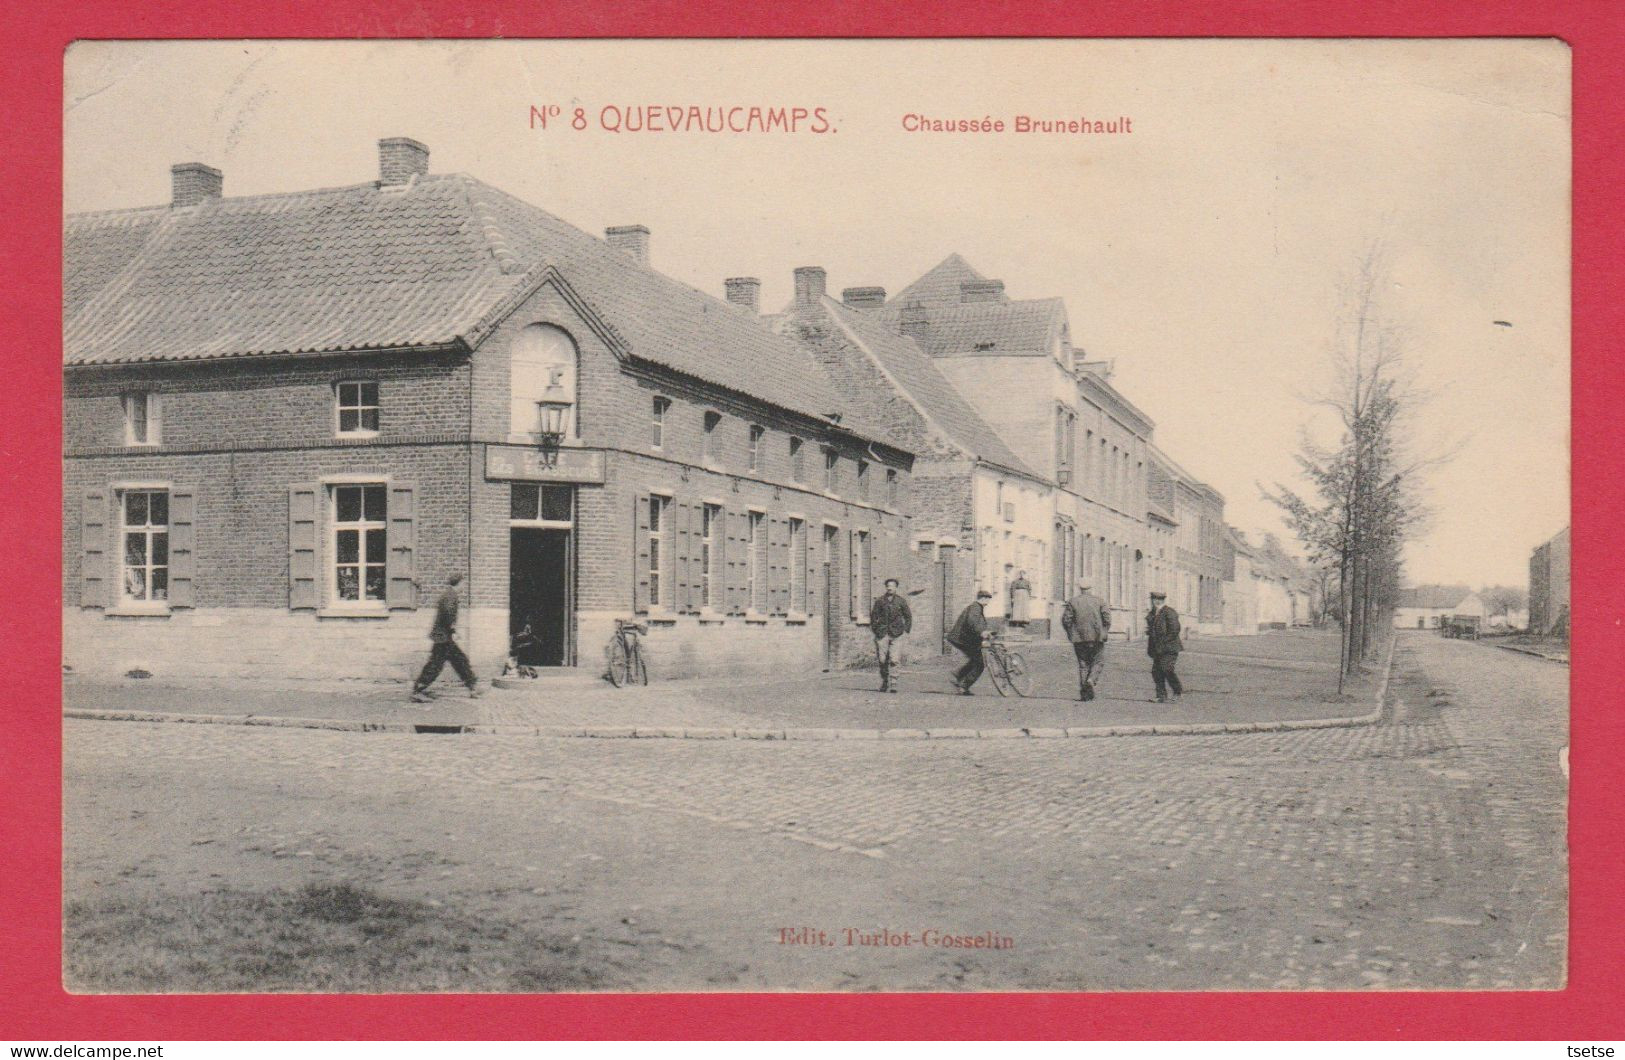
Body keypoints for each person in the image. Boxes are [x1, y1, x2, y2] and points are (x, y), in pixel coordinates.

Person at [411, 573, 482, 702]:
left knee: (460, 661)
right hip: (443, 637)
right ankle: (418, 690)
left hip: (444, 636)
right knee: (437, 665)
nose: (464, 586)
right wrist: (453, 630)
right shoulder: (450, 596)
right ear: (459, 583)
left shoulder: (449, 594)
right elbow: (448, 613)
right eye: (463, 583)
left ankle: (472, 686)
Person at [1061, 577, 1111, 701]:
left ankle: (1085, 694)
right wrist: (1104, 631)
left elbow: (1066, 620)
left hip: (1079, 638)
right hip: (1097, 637)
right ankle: (1091, 680)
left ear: (1080, 588)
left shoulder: (1073, 602)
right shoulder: (1099, 601)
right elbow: (1107, 618)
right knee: (1098, 661)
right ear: (1091, 588)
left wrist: (1070, 633)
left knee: (1083, 664)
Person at [869, 577, 913, 693]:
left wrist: (905, 630)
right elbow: (873, 617)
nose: (890, 588)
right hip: (882, 634)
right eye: (888, 586)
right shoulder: (880, 601)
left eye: (892, 586)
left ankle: (894, 683)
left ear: (896, 588)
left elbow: (908, 616)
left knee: (894, 659)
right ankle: (885, 682)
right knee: (882, 659)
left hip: (897, 634)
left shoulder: (901, 601)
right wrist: (876, 629)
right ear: (886, 587)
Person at [948, 589, 994, 695]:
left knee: (976, 659)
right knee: (980, 663)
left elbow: (977, 623)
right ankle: (963, 686)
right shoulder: (975, 608)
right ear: (982, 598)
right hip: (962, 639)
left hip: (962, 638)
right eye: (987, 599)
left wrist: (986, 632)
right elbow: (972, 622)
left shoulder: (977, 608)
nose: (988, 601)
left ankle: (957, 676)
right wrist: (981, 632)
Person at [1145, 590, 1183, 703]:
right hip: (1157, 648)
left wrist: (1163, 642)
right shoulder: (1153, 613)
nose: (1154, 602)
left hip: (1169, 648)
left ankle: (1177, 692)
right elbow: (1152, 629)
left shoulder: (1169, 612)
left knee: (1167, 669)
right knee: (1156, 671)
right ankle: (1161, 696)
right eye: (1153, 600)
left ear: (1160, 600)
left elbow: (1174, 630)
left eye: (1157, 600)